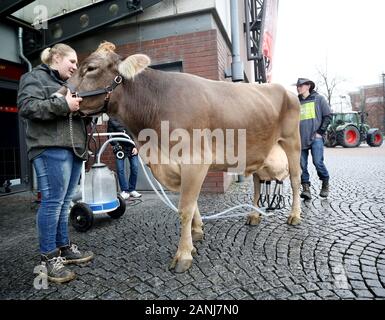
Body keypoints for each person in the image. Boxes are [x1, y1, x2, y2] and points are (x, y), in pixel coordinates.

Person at [17, 44, 94, 284]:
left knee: (63, 203)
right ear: (56, 57)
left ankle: (63, 247)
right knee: (52, 202)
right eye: (71, 61)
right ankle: (48, 258)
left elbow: (73, 113)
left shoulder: (72, 84)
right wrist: (64, 105)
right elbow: (27, 107)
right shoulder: (33, 77)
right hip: (49, 148)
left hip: (73, 149)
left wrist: (86, 111)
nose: (75, 66)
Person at [296, 78, 332, 200]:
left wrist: (320, 132)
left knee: (317, 162)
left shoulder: (319, 99)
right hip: (300, 139)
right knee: (302, 165)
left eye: (301, 85)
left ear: (308, 86)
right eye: (297, 86)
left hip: (316, 137)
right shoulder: (296, 102)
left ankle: (325, 182)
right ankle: (306, 189)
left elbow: (328, 116)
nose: (298, 87)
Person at [107, 117, 142, 200]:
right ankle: (125, 191)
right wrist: (116, 146)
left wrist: (136, 146)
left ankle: (132, 189)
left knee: (135, 167)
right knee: (120, 169)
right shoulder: (112, 120)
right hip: (120, 148)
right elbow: (110, 135)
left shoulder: (130, 116)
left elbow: (137, 133)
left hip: (132, 146)